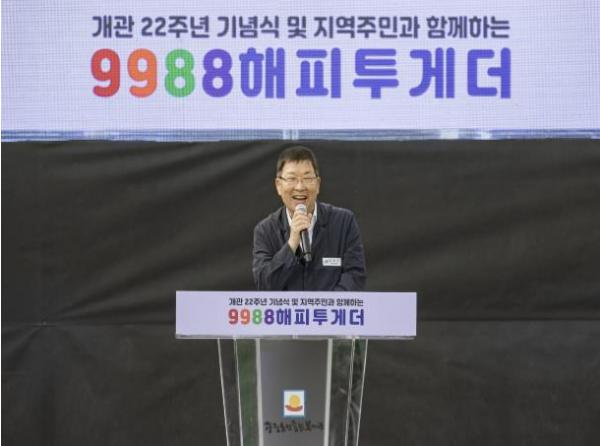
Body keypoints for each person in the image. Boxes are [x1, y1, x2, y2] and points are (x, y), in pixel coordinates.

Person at [252, 145, 366, 291]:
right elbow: (265, 285)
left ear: (317, 185)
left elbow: (355, 276)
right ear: (278, 186)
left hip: (330, 306)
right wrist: (292, 243)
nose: (300, 187)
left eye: (307, 178)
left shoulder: (344, 222)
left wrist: (326, 303)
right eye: (292, 179)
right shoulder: (265, 230)